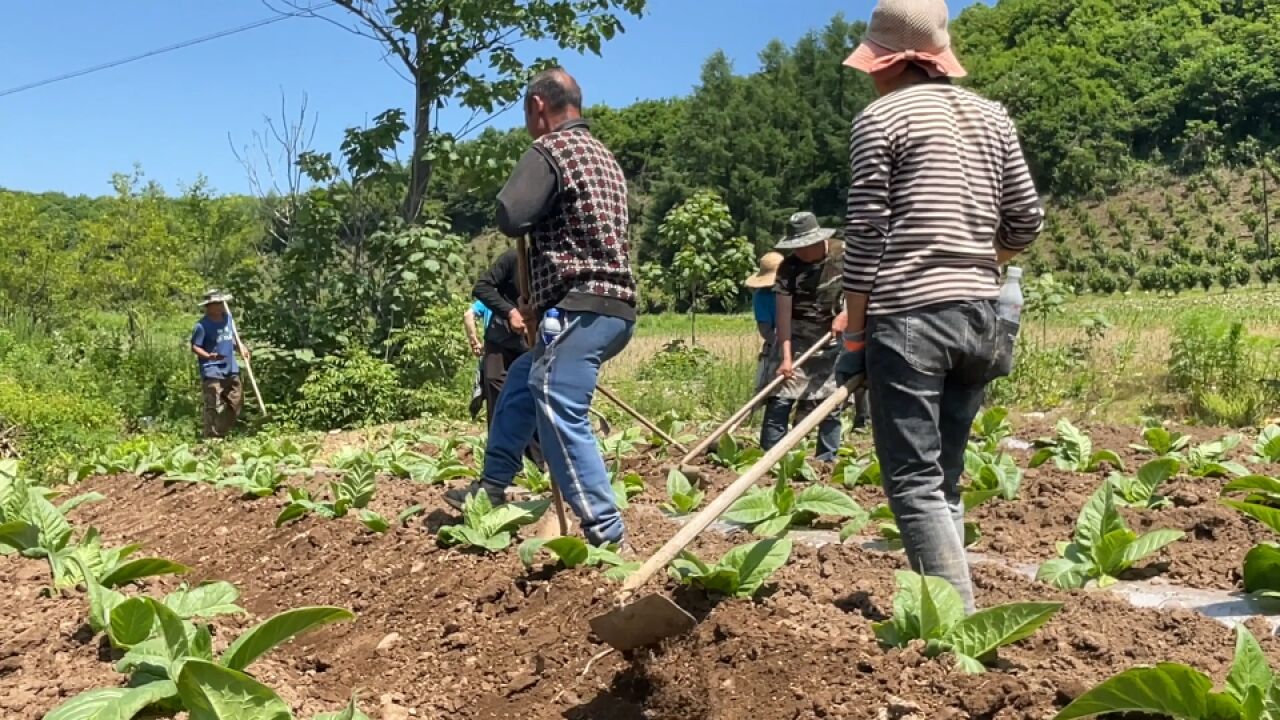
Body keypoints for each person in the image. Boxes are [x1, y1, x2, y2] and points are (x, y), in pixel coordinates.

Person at [835, 0, 1044, 613]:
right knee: (943, 479)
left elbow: (867, 236)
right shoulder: (992, 116)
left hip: (910, 317)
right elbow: (1026, 220)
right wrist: (984, 256)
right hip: (984, 315)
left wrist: (854, 336)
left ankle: (955, 628)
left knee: (912, 482)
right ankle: (959, 613)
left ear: (888, 60)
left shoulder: (881, 119)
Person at [445, 68, 637, 547]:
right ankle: (491, 489)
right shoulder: (604, 157)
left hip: (580, 306)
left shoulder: (552, 148)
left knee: (556, 400)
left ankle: (606, 533)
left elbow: (511, 214)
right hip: (613, 308)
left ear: (537, 106)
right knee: (521, 382)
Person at [764, 213, 847, 462]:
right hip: (798, 337)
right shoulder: (788, 268)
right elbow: (783, 315)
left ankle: (826, 460)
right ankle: (770, 459)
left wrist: (847, 315)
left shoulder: (845, 254)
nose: (798, 252)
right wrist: (786, 356)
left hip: (834, 336)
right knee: (781, 395)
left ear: (817, 241)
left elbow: (866, 288)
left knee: (831, 401)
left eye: (803, 246)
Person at [190, 289, 251, 439]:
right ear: (208, 306)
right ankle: (211, 437)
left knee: (236, 401)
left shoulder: (228, 319)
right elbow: (195, 346)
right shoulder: (202, 326)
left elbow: (233, 338)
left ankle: (219, 431)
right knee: (213, 405)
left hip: (230, 368)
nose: (220, 306)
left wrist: (241, 348)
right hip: (211, 370)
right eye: (216, 304)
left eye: (221, 303)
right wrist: (208, 356)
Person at [745, 252, 781, 395]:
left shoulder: (797, 290)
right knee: (775, 395)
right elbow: (765, 330)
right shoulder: (762, 297)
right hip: (777, 345)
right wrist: (784, 347)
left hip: (804, 340)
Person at [463, 299, 492, 422]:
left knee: (493, 402)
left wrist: (474, 341)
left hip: (490, 355)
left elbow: (468, 315)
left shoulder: (490, 297)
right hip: (520, 350)